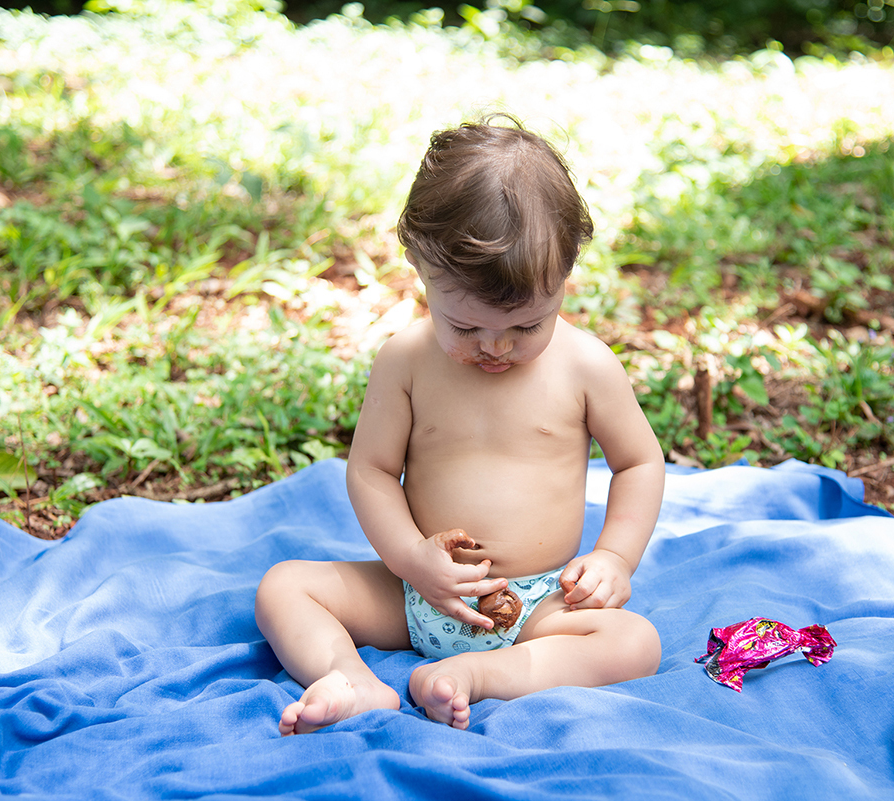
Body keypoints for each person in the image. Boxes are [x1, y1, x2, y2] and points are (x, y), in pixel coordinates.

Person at [254, 116, 666, 734]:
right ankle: (350, 679)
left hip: (538, 604)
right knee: (283, 588)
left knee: (635, 642)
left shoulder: (585, 365)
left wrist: (614, 556)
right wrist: (410, 558)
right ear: (421, 269)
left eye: (526, 326)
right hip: (418, 594)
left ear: (564, 278)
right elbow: (370, 470)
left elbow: (639, 463)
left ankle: (486, 676)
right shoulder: (406, 361)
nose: (495, 347)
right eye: (466, 327)